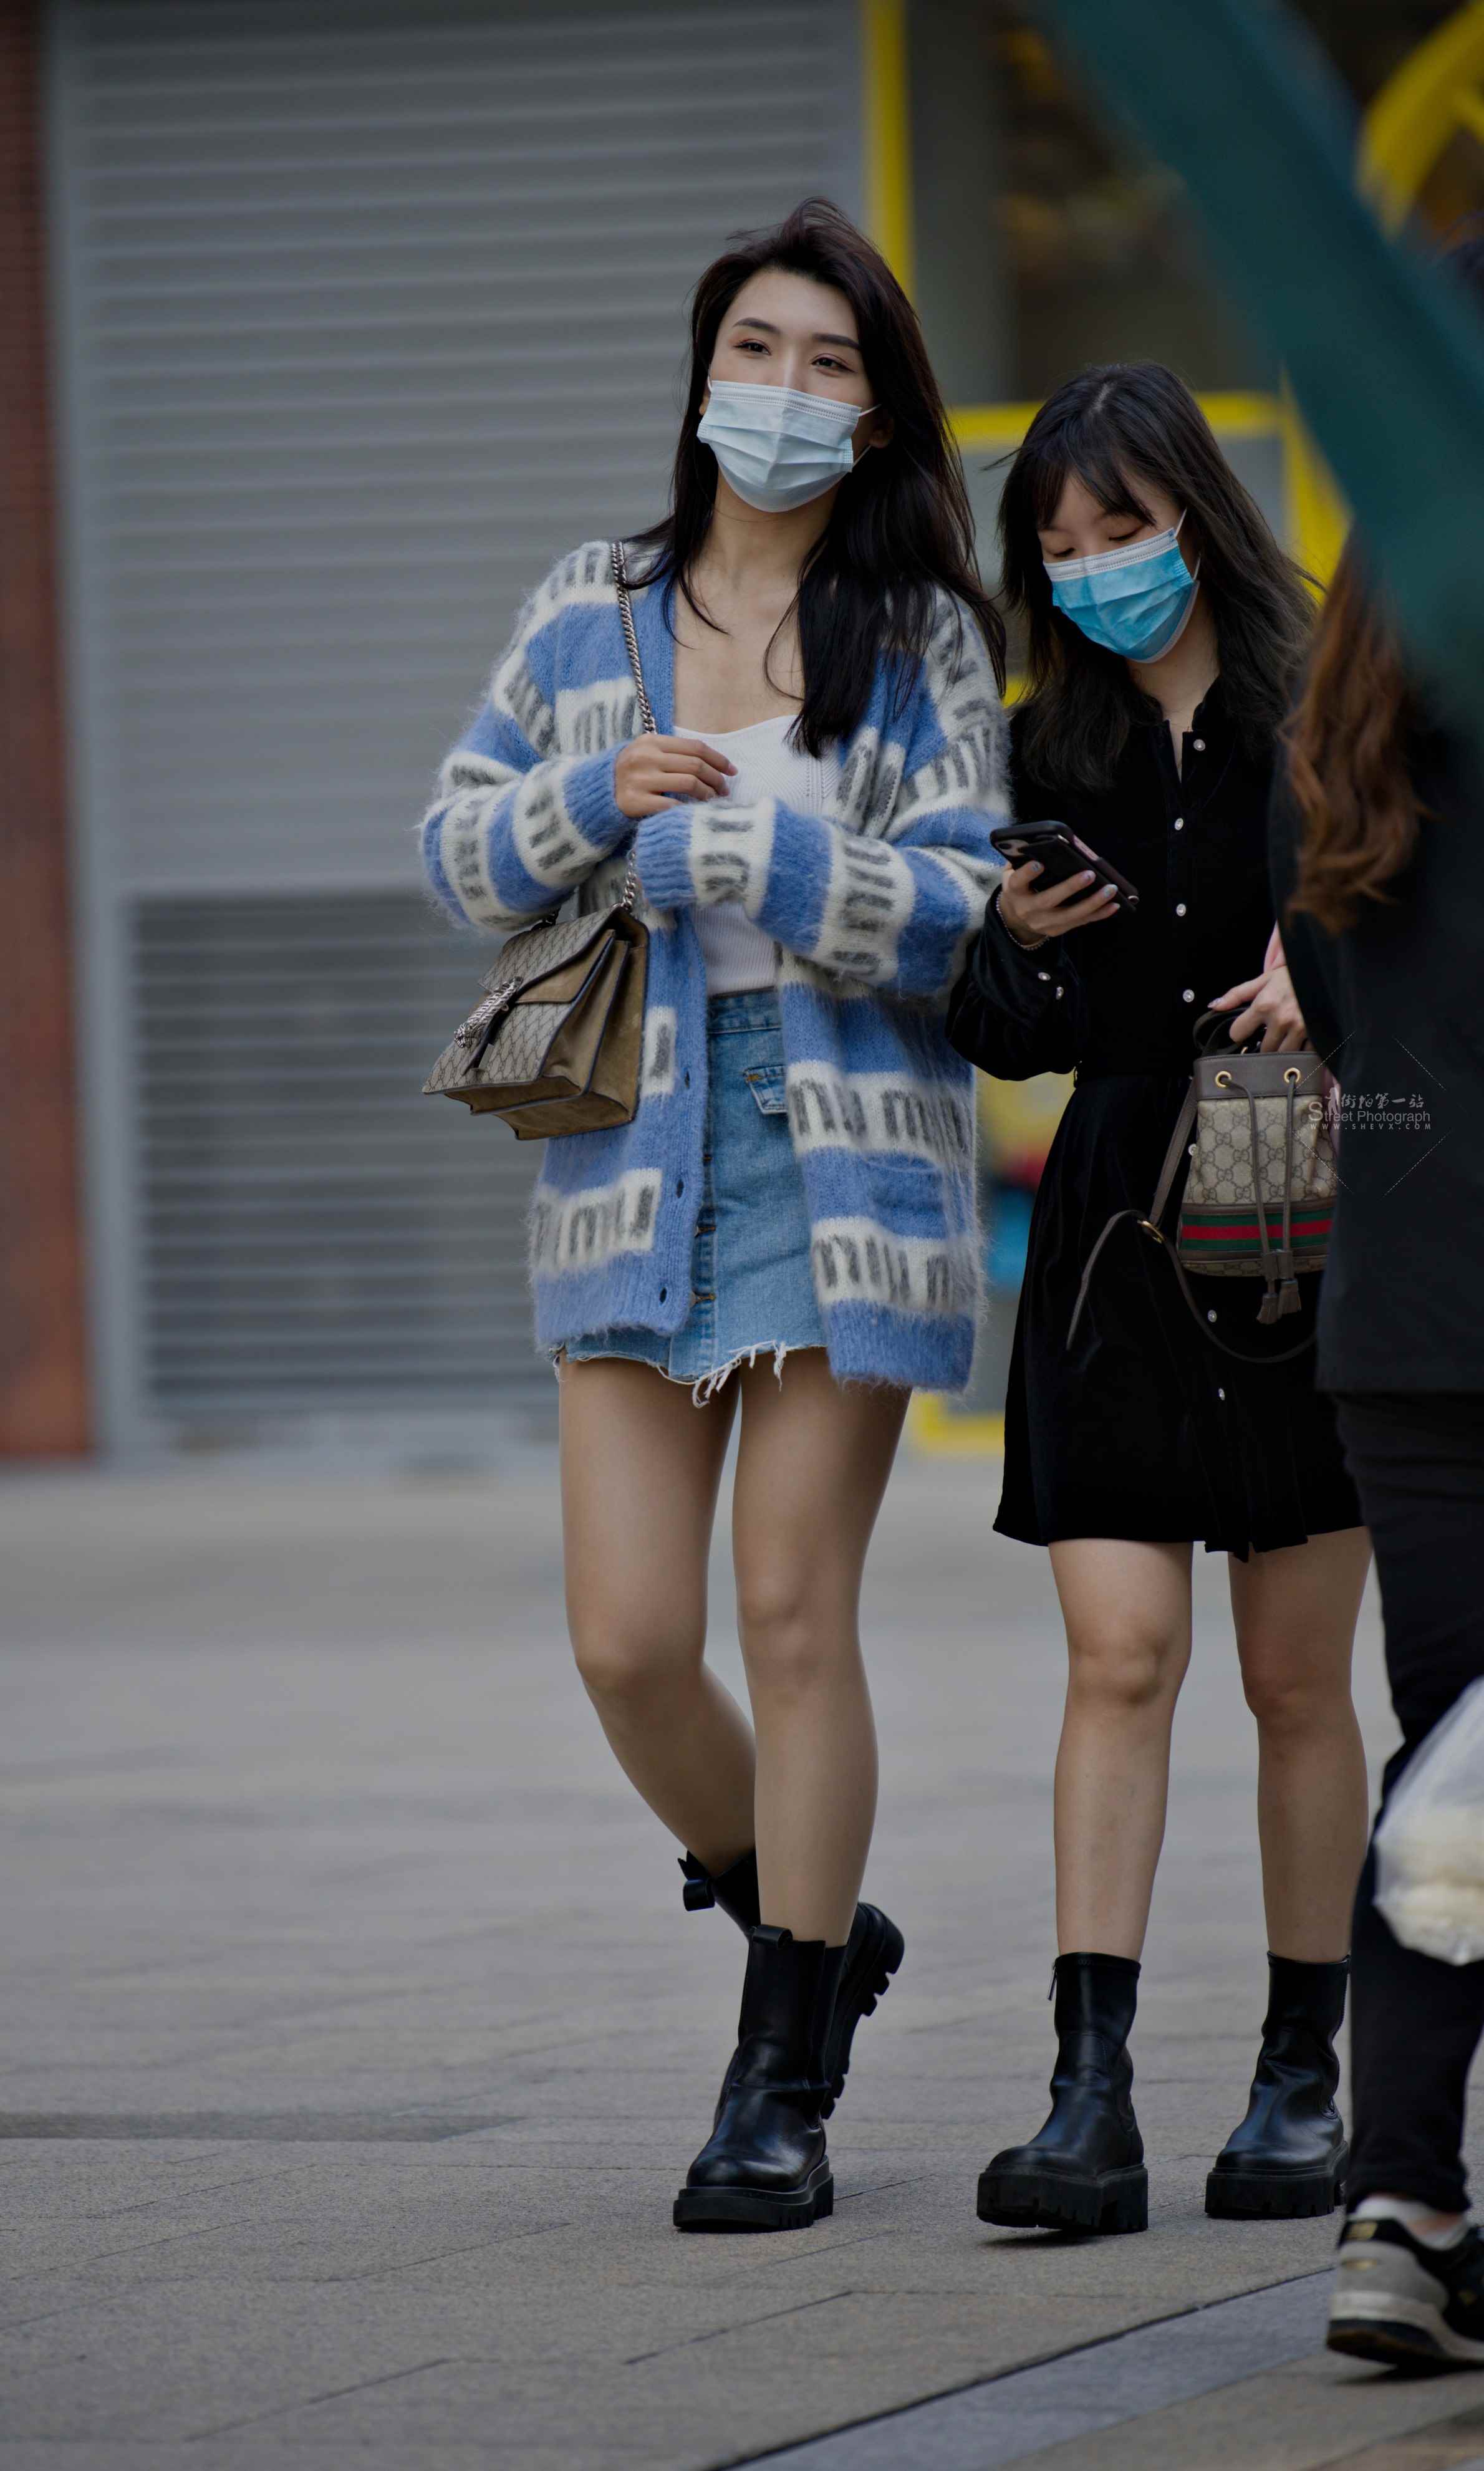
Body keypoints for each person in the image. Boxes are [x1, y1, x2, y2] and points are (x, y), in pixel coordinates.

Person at [421, 200, 1007, 2233]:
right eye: (756, 349)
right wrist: (596, 807)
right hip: (630, 1161)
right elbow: (455, 846)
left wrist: (762, 854)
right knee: (626, 1641)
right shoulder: (589, 607)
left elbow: (963, 906)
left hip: (846, 1156)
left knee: (789, 1608)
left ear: (876, 413)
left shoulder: (918, 636)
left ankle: (779, 2081)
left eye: (828, 363)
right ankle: (813, 1924)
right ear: (702, 374)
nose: (784, 389)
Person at [947, 364, 1371, 2236]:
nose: (1094, 566)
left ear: (1193, 511)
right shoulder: (1042, 749)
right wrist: (1012, 943)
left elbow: (1427, 948)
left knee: (1293, 1677)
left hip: (1300, 1222)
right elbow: (1006, 1040)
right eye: (1058, 545)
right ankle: (1087, 2098)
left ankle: (1301, 2081)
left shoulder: (1329, 715)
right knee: (1118, 1656)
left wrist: (1320, 974)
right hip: (1118, 1231)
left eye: (1118, 527)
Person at [1270, 234, 1484, 2371]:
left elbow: (1344, 1026)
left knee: (1456, 1778)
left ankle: (1395, 2206)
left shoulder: (1340, 705)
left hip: (1406, 1326)